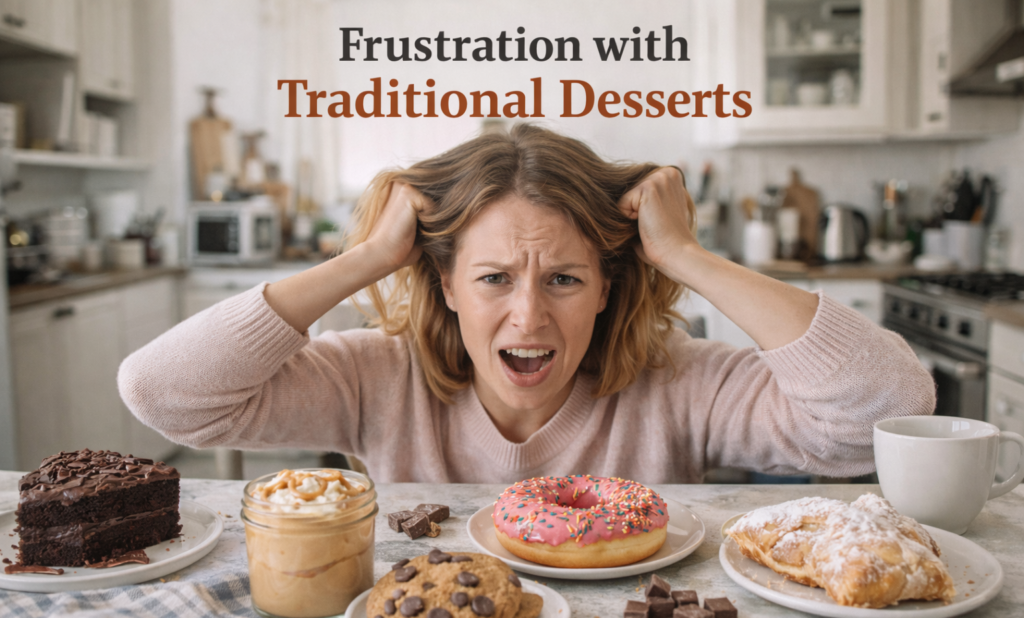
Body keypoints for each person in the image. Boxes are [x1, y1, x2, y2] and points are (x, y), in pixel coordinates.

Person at [119, 124, 935, 483]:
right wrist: (365, 258)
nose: (529, 318)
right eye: (494, 278)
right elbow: (164, 394)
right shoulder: (375, 379)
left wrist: (687, 256)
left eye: (565, 279)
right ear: (444, 282)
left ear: (609, 285)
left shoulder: (678, 383)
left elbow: (888, 415)